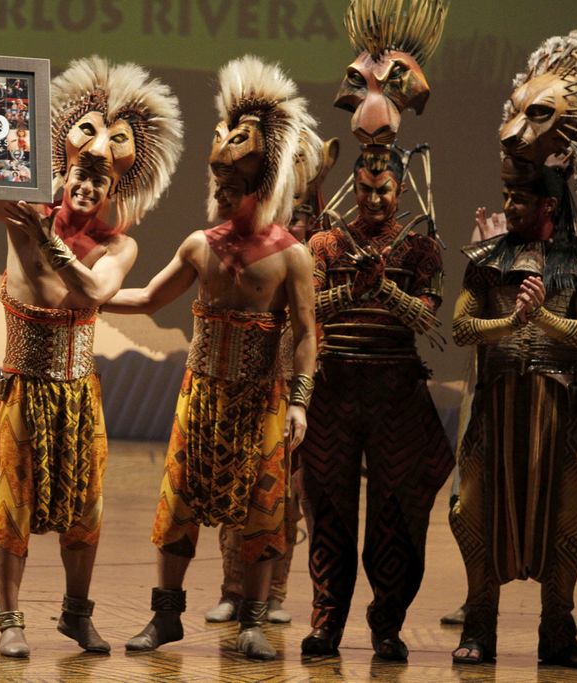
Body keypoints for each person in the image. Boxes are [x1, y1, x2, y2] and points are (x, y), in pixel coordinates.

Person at [111, 57, 317, 661]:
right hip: (201, 397)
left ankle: (252, 621)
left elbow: (306, 334)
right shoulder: (201, 246)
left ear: (260, 189)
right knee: (178, 507)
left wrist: (299, 402)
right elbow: (148, 298)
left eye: (232, 190)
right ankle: (165, 616)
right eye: (218, 188)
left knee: (262, 513)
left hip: (261, 403)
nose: (221, 197)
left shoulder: (291, 256)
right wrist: (84, 298)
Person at [0, 56, 182, 658]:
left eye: (100, 181)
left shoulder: (117, 246)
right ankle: (11, 621)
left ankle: (76, 614)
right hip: (24, 386)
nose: (88, 186)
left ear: (112, 192)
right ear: (63, 170)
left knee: (85, 508)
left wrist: (47, 240)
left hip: (77, 394)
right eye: (80, 173)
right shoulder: (26, 215)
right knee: (15, 503)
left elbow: (96, 290)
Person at [450, 28, 577, 668]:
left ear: (549, 202)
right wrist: (509, 324)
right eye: (508, 195)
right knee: (478, 514)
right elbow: (462, 328)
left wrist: (543, 318)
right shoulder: (485, 258)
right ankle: (480, 628)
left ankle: (557, 632)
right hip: (500, 410)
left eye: (521, 198)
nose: (510, 205)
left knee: (570, 518)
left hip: (558, 412)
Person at [296, 147, 453, 661]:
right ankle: (326, 623)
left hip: (396, 391)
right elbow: (305, 307)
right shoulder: (325, 242)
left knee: (397, 513)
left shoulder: (422, 248)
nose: (374, 199)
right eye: (365, 189)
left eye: (383, 190)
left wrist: (382, 287)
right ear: (355, 185)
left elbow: (426, 318)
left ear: (400, 189)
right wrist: (352, 293)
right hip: (334, 386)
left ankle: (387, 625)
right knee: (327, 508)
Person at [203, 124, 339, 628]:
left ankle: (273, 593)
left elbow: (312, 321)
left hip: (298, 379)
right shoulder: (253, 236)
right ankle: (232, 589)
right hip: (251, 377)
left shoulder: (320, 245)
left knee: (284, 496)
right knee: (236, 484)